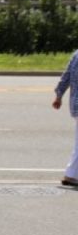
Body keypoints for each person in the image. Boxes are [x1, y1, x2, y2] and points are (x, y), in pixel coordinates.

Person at [53, 49, 78, 187]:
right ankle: (70, 175)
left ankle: (72, 175)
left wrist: (58, 95)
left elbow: (66, 76)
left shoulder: (76, 55)